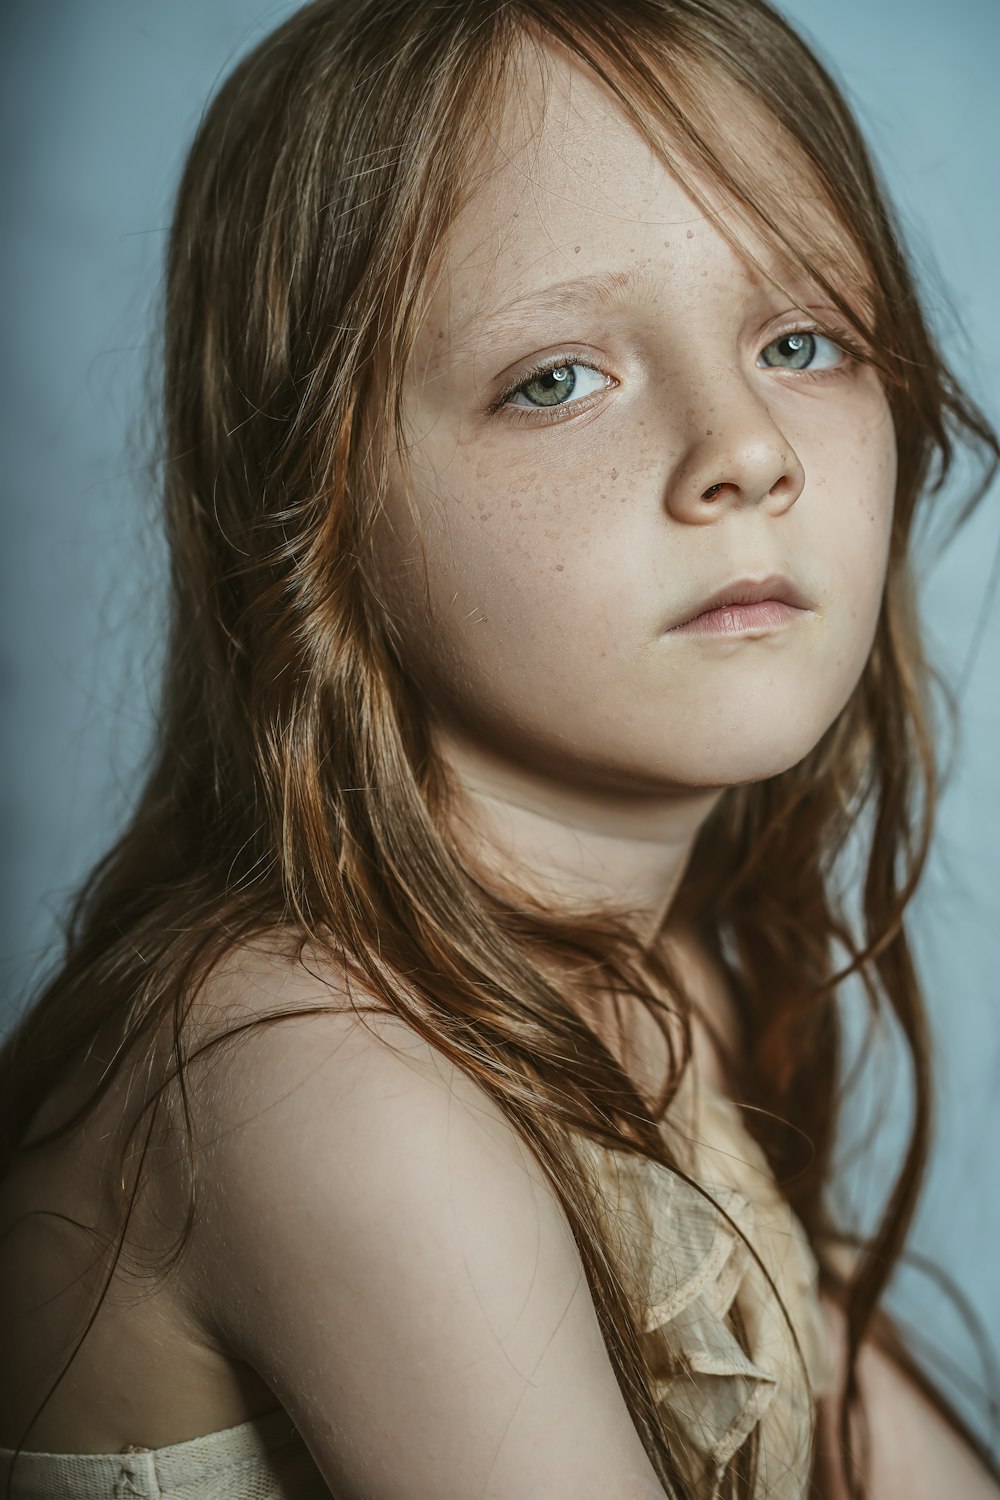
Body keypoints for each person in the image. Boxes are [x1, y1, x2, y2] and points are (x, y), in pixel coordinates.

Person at [0, 1, 997, 1495]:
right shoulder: (317, 1075)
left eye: (803, 341)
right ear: (315, 518)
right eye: (555, 379)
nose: (748, 446)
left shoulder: (660, 992)